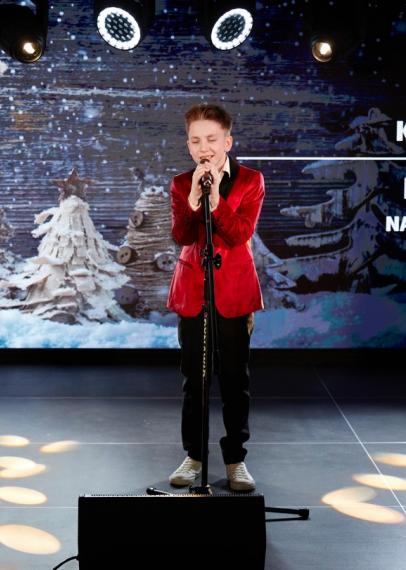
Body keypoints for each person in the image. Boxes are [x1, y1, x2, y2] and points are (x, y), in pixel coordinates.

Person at [166, 103, 264, 492]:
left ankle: (235, 459)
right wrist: (194, 198)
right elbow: (182, 236)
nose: (203, 147)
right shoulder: (180, 184)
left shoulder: (250, 180)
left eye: (211, 139)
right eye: (195, 140)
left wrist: (216, 202)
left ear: (227, 141)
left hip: (234, 290)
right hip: (194, 289)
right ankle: (194, 456)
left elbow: (240, 233)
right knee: (195, 380)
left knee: (235, 380)